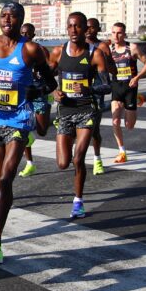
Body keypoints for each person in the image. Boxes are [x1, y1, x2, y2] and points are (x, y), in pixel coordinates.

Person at [0, 3, 56, 264]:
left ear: (21, 21)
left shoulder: (30, 49)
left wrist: (31, 92)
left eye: (13, 16)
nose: (7, 20)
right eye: (3, 16)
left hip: (19, 120)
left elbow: (50, 83)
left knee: (7, 180)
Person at [48, 12, 111, 219]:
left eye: (78, 26)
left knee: (78, 158)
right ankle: (77, 196)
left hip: (86, 110)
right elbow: (46, 80)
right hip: (65, 111)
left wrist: (88, 89)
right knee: (62, 163)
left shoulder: (95, 54)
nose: (74, 30)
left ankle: (78, 201)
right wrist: (53, 93)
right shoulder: (58, 52)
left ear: (86, 29)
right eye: (70, 26)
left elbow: (106, 85)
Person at [107, 22, 146, 164]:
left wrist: (137, 77)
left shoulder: (132, 48)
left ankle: (136, 101)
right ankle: (122, 151)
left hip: (130, 87)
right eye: (114, 32)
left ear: (124, 34)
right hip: (116, 87)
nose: (116, 35)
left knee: (129, 125)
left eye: (119, 32)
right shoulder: (108, 50)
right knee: (115, 120)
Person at [18, 22, 52, 179]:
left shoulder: (40, 50)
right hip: (23, 95)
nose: (25, 36)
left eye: (28, 33)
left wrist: (44, 83)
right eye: (23, 33)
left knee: (42, 131)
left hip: (39, 93)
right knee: (24, 131)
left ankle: (49, 108)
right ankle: (30, 163)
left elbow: (51, 70)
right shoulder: (16, 50)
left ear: (33, 35)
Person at [85, 18, 117, 175]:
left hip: (97, 91)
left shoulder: (102, 46)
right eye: (87, 27)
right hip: (78, 92)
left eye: (92, 27)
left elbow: (113, 71)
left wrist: (106, 57)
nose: (89, 30)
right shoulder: (77, 45)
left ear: (98, 29)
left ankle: (97, 159)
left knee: (94, 129)